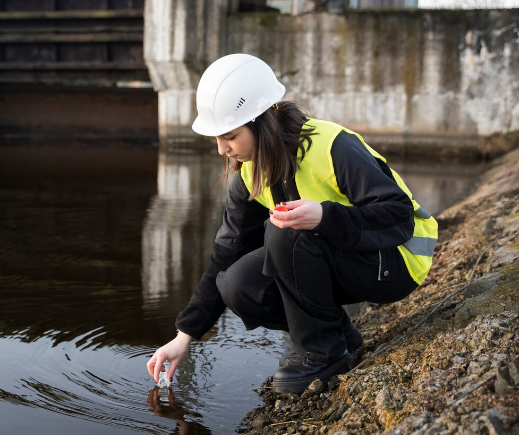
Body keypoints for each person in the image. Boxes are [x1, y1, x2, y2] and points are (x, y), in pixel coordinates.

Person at [147, 53, 438, 394]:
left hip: (397, 261)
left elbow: (398, 215)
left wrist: (325, 217)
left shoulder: (332, 147)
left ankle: (322, 354)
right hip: (350, 257)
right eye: (217, 138)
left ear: (261, 121)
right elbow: (225, 255)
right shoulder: (250, 173)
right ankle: (339, 336)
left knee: (284, 232)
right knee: (236, 284)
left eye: (230, 136)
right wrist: (185, 336)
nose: (222, 150)